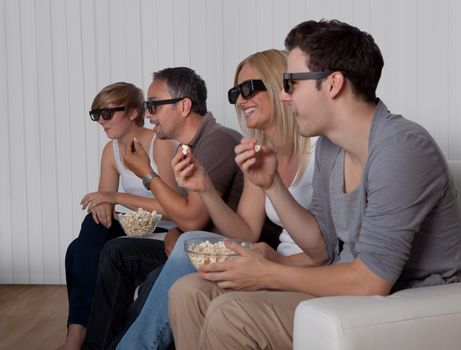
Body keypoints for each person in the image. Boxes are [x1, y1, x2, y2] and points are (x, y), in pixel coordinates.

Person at [168, 19, 461, 350]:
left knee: (232, 314)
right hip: (349, 289)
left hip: (408, 302)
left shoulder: (402, 148)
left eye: (291, 83)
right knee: (189, 292)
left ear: (333, 84)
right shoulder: (330, 147)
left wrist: (268, 273)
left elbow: (371, 281)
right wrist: (272, 185)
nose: (283, 97)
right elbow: (321, 247)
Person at [114, 49, 316, 350]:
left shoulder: (316, 147)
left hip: (291, 260)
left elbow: (328, 248)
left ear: (278, 85)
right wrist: (205, 188)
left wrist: (147, 175)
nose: (240, 100)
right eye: (235, 92)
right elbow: (245, 230)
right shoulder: (257, 150)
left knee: (179, 247)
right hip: (265, 252)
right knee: (127, 256)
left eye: (248, 89)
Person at [81, 67, 246, 350]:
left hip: (223, 246)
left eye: (153, 105)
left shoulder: (217, 139)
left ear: (183, 106)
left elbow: (194, 218)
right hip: (197, 240)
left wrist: (146, 174)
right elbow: (192, 217)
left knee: (150, 282)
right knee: (115, 250)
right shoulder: (188, 145)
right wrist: (179, 232)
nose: (147, 114)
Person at [61, 82, 179, 350]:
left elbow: (174, 206)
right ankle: (77, 331)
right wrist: (105, 204)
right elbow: (104, 204)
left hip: (167, 233)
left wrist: (114, 199)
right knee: (79, 245)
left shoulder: (160, 144)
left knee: (77, 249)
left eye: (108, 113)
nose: (101, 121)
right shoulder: (111, 151)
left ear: (134, 112)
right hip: (135, 229)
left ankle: (81, 337)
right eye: (96, 114)